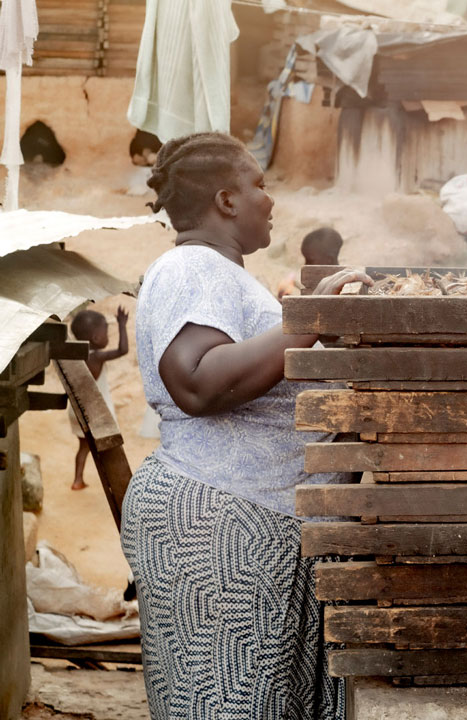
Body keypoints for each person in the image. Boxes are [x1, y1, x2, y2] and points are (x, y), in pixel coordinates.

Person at [121, 131, 370, 719]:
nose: (271, 199)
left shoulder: (226, 276)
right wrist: (305, 325)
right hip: (217, 532)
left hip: (247, 529)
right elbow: (197, 380)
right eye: (259, 184)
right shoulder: (191, 266)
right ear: (226, 201)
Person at [67, 307, 129, 491]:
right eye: (106, 333)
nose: (108, 337)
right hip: (96, 414)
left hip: (77, 410)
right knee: (108, 452)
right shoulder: (98, 357)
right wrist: (122, 325)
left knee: (83, 447)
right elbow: (123, 349)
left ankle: (78, 480)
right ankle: (116, 485)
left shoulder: (77, 356)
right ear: (95, 338)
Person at [277, 227, 344, 299]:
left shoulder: (341, 287)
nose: (305, 265)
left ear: (329, 260)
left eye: (310, 260)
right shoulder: (315, 284)